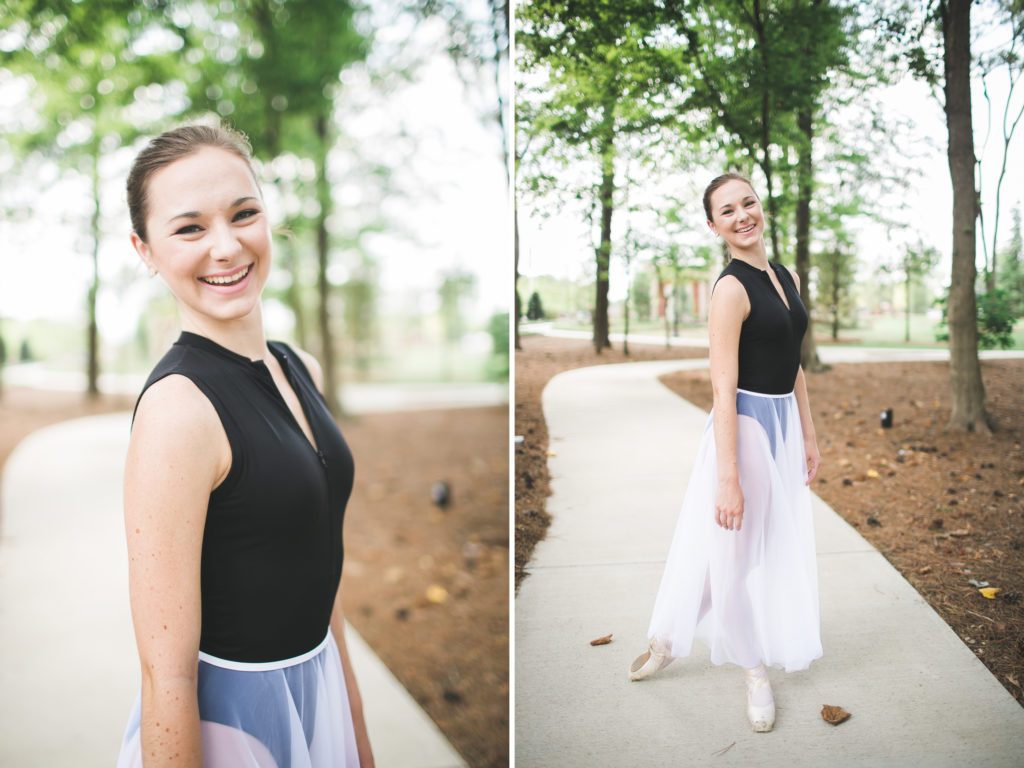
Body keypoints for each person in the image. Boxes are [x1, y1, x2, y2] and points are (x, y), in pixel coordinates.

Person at [115, 124, 374, 767]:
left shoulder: (298, 366)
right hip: (231, 731)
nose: (227, 247)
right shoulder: (179, 411)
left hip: (317, 695)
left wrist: (357, 739)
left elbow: (320, 571)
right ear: (144, 250)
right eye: (189, 228)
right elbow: (165, 675)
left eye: (244, 213)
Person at [628, 172, 822, 733]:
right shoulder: (730, 289)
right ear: (713, 226)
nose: (743, 216)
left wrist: (808, 435)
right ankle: (754, 673)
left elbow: (794, 361)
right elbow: (722, 388)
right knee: (735, 564)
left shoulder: (786, 276)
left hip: (783, 424)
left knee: (748, 555)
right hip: (747, 428)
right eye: (727, 211)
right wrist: (727, 477)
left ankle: (668, 637)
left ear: (760, 208)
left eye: (749, 203)